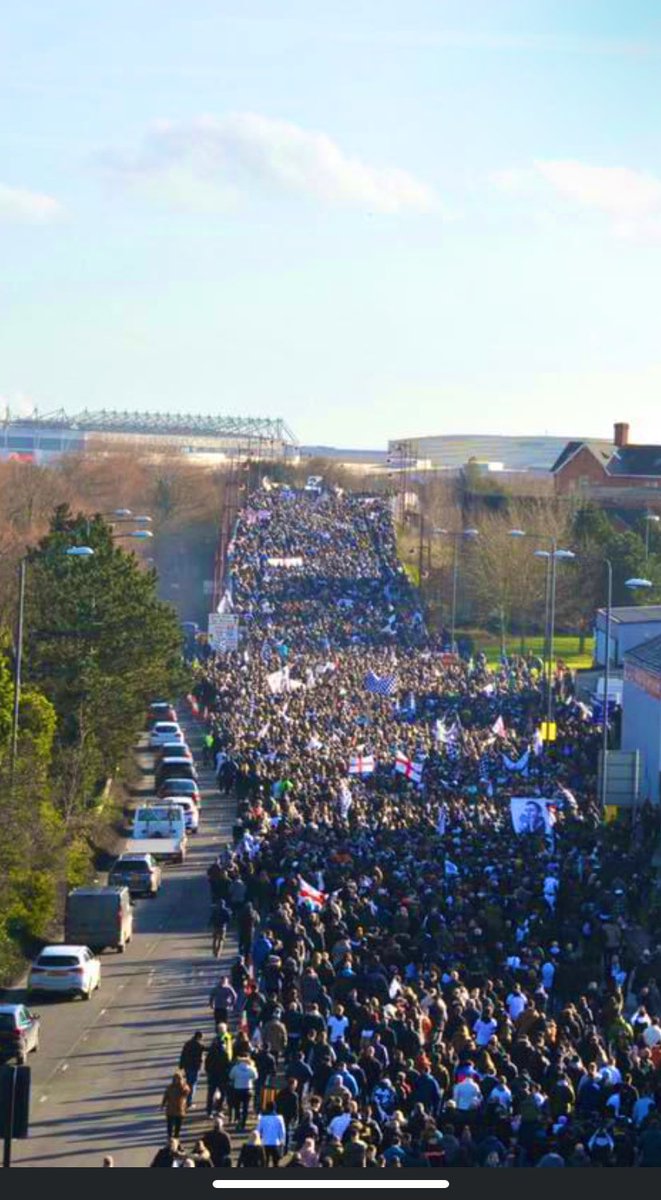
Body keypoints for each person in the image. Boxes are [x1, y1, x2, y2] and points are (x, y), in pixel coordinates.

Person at [229, 1054, 259, 1131]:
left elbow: (231, 1076)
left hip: (237, 1089)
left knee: (237, 1106)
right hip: (247, 1090)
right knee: (245, 1107)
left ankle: (238, 1119)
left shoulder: (235, 1068)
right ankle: (243, 1123)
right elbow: (255, 1076)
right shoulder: (251, 1068)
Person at [160, 1071, 190, 1140]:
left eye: (179, 1079)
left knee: (178, 1125)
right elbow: (166, 1096)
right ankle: (169, 1136)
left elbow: (187, 1092)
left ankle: (176, 1137)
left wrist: (182, 1084)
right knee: (169, 1125)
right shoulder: (170, 1087)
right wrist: (162, 1105)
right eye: (175, 1078)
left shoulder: (183, 1087)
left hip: (180, 1109)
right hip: (170, 1109)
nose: (177, 1080)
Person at [179, 1030, 205, 1109]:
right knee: (193, 1084)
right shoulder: (199, 1045)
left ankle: (184, 1100)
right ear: (199, 1037)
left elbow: (183, 1054)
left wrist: (181, 1066)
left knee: (187, 1083)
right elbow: (208, 1049)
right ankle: (189, 1102)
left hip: (187, 1066)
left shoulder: (187, 1043)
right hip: (195, 1067)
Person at [256, 1101, 287, 1167]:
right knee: (276, 1163)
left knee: (265, 1162)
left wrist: (258, 1141)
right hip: (276, 1143)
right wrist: (283, 1141)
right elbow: (283, 1131)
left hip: (265, 1142)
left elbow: (257, 1131)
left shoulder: (262, 1118)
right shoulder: (279, 1118)